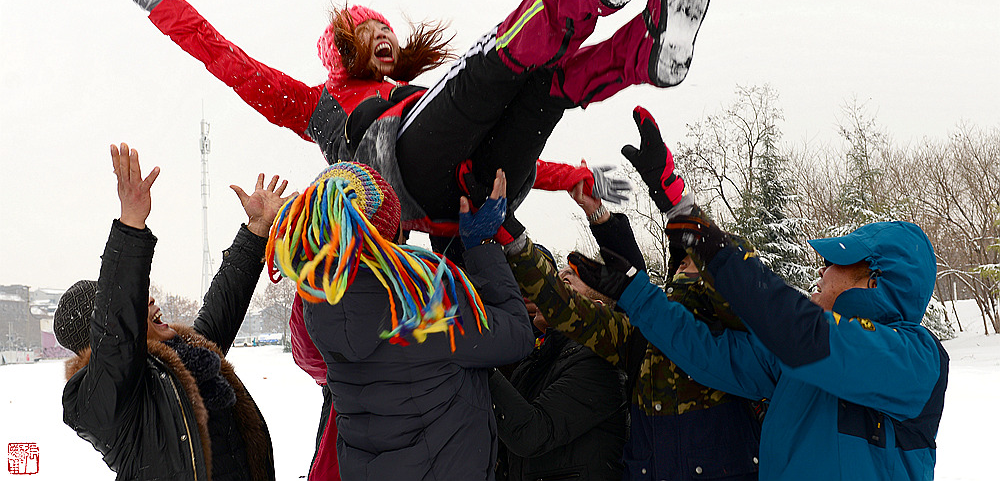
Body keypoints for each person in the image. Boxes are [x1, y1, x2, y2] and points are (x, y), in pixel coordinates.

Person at [115, 0, 708, 245]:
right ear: (345, 49)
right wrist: (164, 5)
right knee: (485, 69)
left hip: (478, 194)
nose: (385, 38)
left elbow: (480, 133)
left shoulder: (410, 94)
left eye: (387, 32)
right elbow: (230, 62)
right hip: (403, 176)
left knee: (542, 90)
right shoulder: (319, 105)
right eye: (368, 32)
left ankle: (642, 55)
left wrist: (581, 176)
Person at [578, 107, 950, 481]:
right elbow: (704, 351)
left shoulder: (915, 360)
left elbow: (800, 329)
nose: (822, 270)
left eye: (838, 262)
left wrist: (693, 222)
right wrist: (634, 293)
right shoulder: (796, 358)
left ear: (874, 279)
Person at [268, 161, 535, 480]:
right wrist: (482, 246)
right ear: (387, 230)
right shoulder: (424, 301)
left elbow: (313, 360)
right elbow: (518, 335)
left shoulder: (317, 306)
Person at [501, 165, 762, 479]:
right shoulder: (641, 342)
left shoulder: (742, 349)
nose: (680, 270)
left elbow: (735, 282)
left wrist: (678, 206)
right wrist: (511, 236)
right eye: (680, 263)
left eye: (693, 262)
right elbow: (565, 309)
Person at [56, 143, 292, 481]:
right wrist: (131, 224)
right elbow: (116, 338)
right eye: (136, 302)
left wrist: (257, 230)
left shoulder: (182, 357)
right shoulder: (103, 402)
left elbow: (221, 308)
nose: (149, 300)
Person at [488, 248, 629, 481]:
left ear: (594, 308)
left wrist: (479, 362)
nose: (548, 291)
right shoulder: (540, 355)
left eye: (564, 283)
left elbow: (530, 433)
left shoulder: (600, 364)